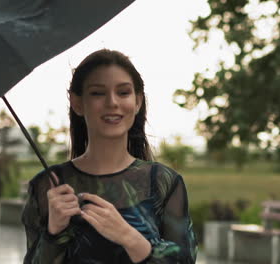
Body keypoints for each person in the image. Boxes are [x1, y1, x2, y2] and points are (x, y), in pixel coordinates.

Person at [22, 49, 197, 263]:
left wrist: (129, 237)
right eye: (98, 93)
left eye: (123, 92)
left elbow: (185, 260)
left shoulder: (164, 183)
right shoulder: (47, 186)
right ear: (77, 103)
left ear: (138, 101)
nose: (112, 102)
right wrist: (54, 232)